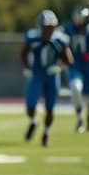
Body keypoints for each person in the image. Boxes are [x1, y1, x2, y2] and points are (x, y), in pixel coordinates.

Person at [20, 9, 73, 147]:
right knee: (30, 105)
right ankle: (33, 122)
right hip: (36, 74)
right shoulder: (33, 38)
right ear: (40, 27)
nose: (48, 31)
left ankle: (46, 132)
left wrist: (59, 68)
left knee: (50, 108)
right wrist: (26, 68)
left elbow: (68, 59)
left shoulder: (59, 40)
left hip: (51, 76)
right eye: (46, 28)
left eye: (51, 28)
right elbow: (23, 53)